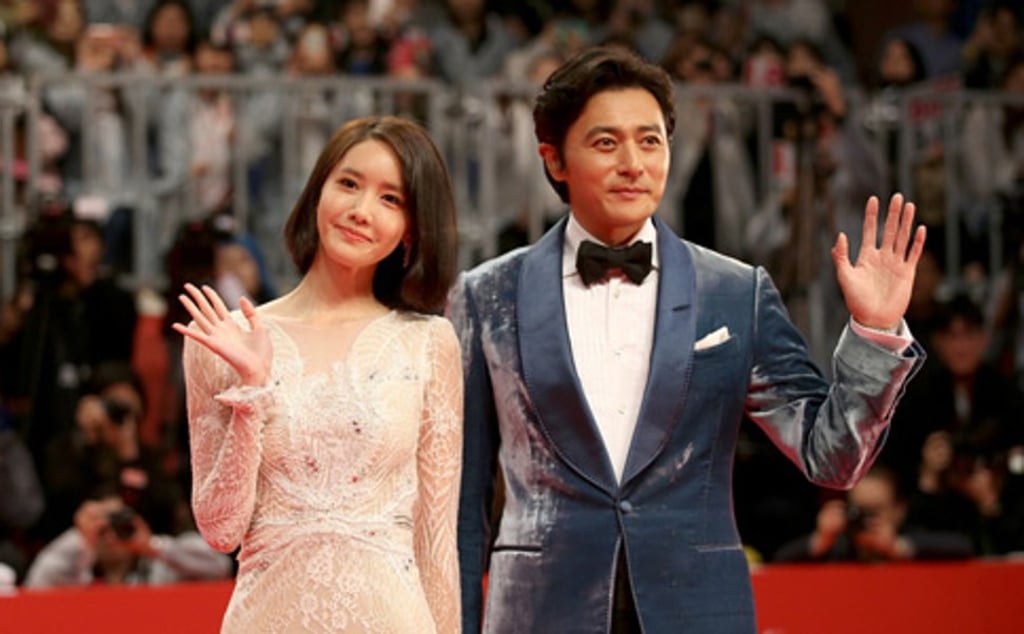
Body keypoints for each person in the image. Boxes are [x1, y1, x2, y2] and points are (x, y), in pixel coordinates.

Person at [449, 46, 927, 633]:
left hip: (697, 612)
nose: (634, 163)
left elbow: (831, 457)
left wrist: (875, 333)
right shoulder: (486, 295)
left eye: (650, 141)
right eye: (606, 143)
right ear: (554, 160)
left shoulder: (735, 291)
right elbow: (462, 506)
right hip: (539, 613)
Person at [174, 116, 462, 633]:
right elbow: (220, 529)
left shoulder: (429, 343)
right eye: (348, 184)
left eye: (390, 200)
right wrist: (252, 392)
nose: (360, 211)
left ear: (411, 229)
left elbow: (436, 541)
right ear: (317, 192)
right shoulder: (227, 339)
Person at [23, 490, 233, 588]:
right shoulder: (79, 571)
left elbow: (219, 566)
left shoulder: (165, 567)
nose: (112, 537)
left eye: (119, 523)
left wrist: (152, 547)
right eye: (104, 528)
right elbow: (37, 584)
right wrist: (81, 541)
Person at [772, 465, 974, 563]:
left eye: (876, 510)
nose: (866, 520)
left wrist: (896, 548)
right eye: (860, 510)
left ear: (899, 509)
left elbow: (963, 547)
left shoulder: (911, 542)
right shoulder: (839, 548)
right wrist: (821, 539)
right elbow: (779, 561)